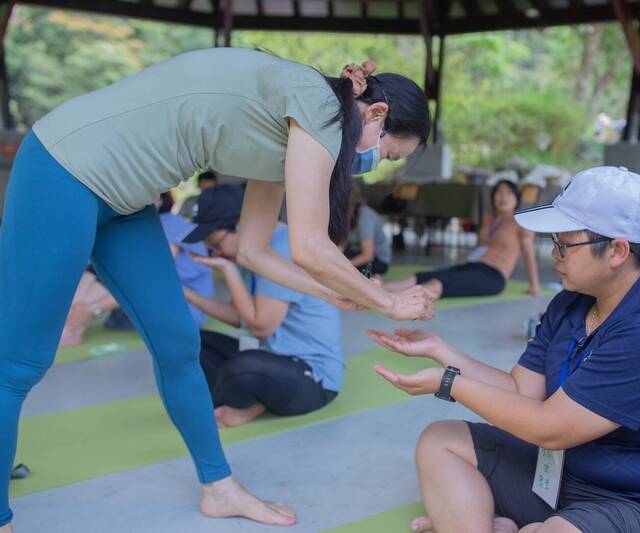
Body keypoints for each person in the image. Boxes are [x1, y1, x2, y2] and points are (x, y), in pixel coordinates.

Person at [0, 49, 433, 531]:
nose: (376, 164)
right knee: (20, 363)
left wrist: (331, 293)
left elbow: (254, 250)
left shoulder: (293, 135)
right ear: (375, 114)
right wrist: (387, 301)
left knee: (178, 343)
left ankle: (218, 488)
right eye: (389, 153)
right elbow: (311, 245)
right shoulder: (318, 105)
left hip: (124, 202)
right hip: (64, 167)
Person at [370, 167, 640, 533]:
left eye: (564, 244)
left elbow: (548, 428)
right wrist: (441, 351)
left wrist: (448, 383)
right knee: (441, 440)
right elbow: (521, 391)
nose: (555, 254)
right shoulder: (572, 302)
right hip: (568, 476)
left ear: (618, 251)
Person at [182, 185, 343, 428]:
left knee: (243, 368)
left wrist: (229, 271)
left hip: (313, 377)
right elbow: (241, 316)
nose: (215, 252)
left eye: (215, 243)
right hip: (272, 356)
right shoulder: (253, 250)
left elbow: (261, 327)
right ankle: (241, 399)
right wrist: (187, 294)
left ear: (239, 226)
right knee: (191, 342)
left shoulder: (282, 250)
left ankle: (248, 404)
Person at [58, 193, 213, 346]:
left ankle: (69, 330)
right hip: (149, 305)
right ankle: (67, 327)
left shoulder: (171, 223)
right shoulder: (137, 230)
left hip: (184, 309)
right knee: (95, 272)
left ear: (158, 201)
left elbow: (150, 277)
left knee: (127, 276)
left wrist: (94, 308)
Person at [383, 180, 541, 300]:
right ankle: (382, 289)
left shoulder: (522, 221)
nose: (503, 197)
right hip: (474, 265)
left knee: (441, 283)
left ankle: (393, 300)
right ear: (492, 198)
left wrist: (534, 286)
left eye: (508, 193)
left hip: (494, 276)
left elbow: (528, 254)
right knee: (429, 275)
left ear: (516, 198)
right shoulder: (489, 218)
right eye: (499, 193)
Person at [346, 189, 392, 276]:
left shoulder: (365, 217)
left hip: (379, 261)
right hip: (359, 253)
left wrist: (342, 267)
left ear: (353, 205)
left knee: (342, 260)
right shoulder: (350, 216)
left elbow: (367, 255)